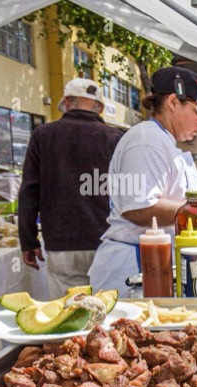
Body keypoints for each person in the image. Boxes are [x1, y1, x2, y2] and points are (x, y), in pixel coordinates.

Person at [88, 66, 197, 291]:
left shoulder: (163, 139)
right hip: (133, 268)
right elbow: (140, 208)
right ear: (173, 102)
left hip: (153, 264)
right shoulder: (146, 140)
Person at [18, 78, 124, 298]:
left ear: (67, 102)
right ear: (100, 108)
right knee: (107, 309)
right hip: (106, 241)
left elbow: (29, 190)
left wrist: (28, 240)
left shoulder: (43, 135)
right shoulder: (114, 138)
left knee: (67, 311)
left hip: (62, 243)